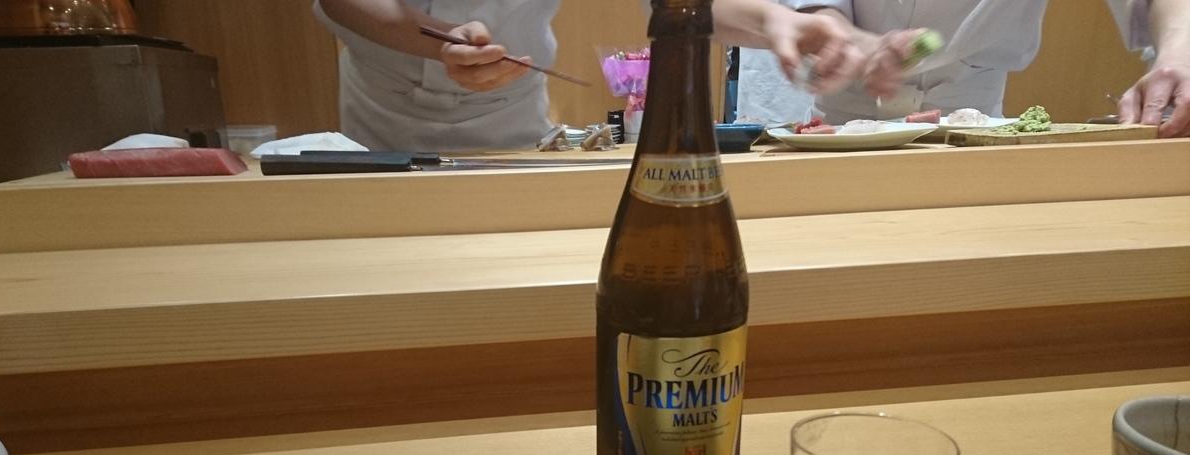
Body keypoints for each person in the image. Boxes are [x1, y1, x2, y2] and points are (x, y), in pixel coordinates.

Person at [311, 0, 865, 151]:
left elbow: (685, 3)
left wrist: (776, 19)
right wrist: (440, 39)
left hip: (511, 112)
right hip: (385, 109)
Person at [783, 0, 1190, 138]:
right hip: (839, 133)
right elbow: (819, 11)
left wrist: (1178, 56)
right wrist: (846, 42)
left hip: (974, 133)